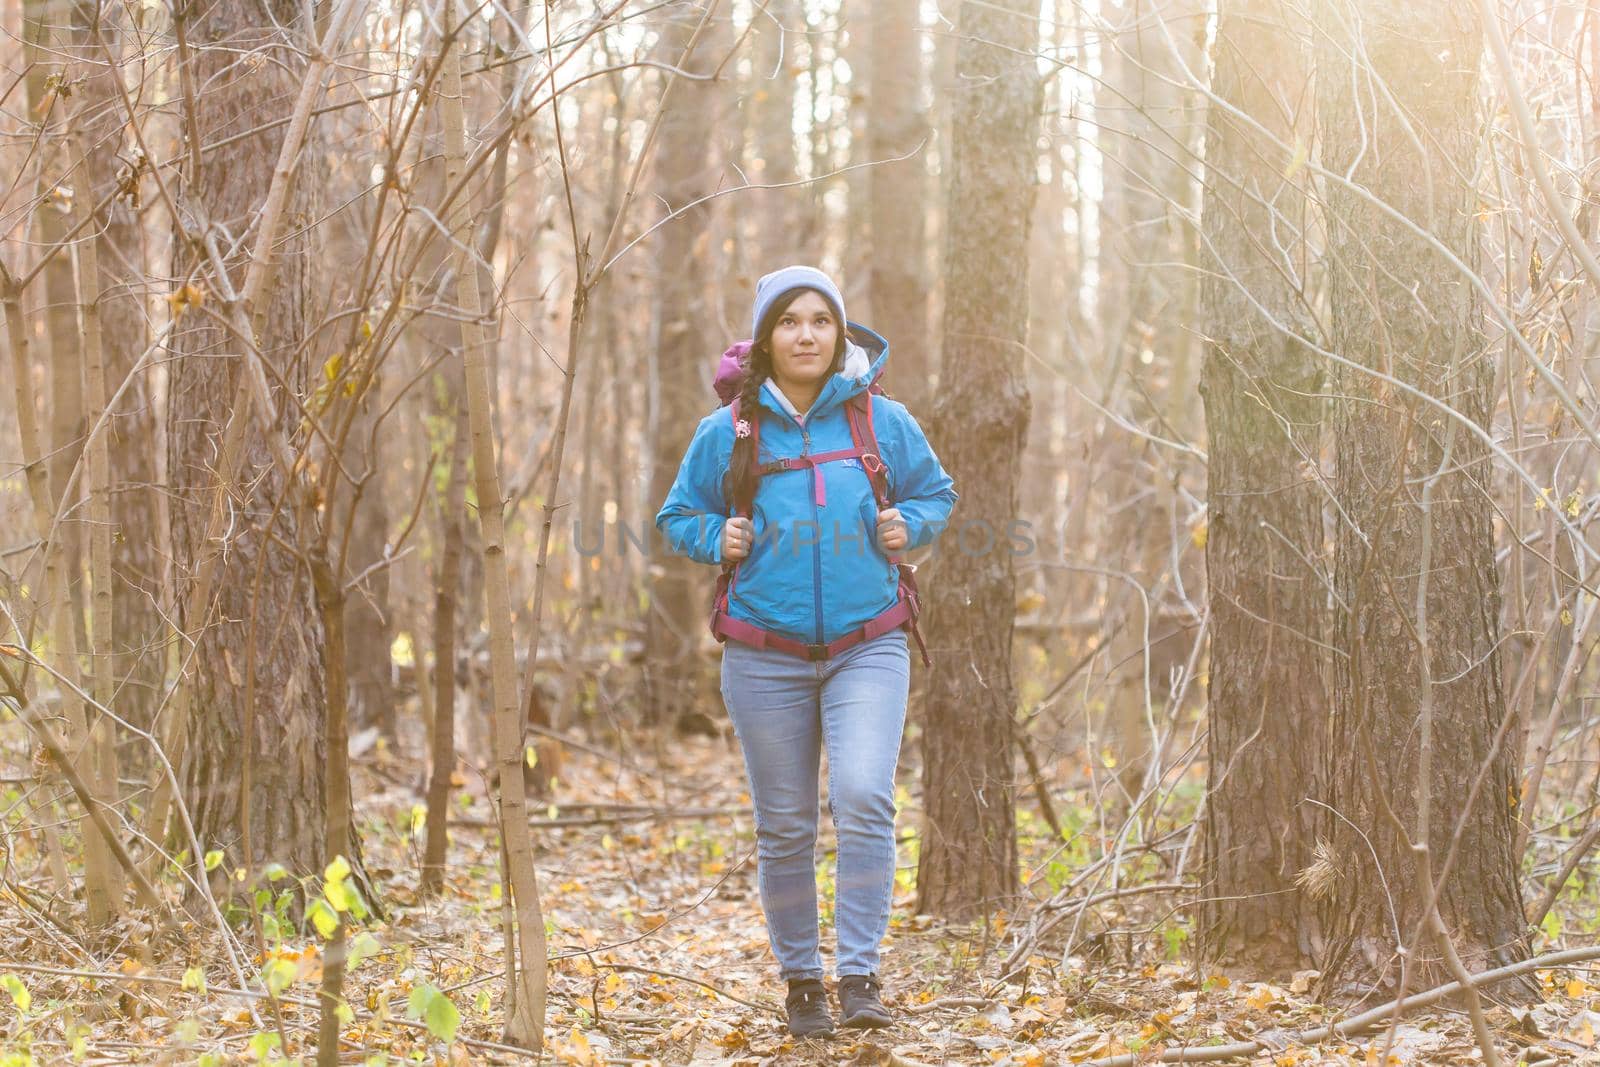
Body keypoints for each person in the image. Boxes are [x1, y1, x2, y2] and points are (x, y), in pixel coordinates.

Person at [655, 265, 957, 1037]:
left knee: (863, 795)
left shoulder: (879, 420)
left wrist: (909, 526)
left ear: (840, 332)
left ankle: (859, 974)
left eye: (821, 319)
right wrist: (710, 534)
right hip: (763, 653)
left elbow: (936, 493)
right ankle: (801, 982)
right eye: (789, 320)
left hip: (869, 643)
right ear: (765, 336)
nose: (807, 334)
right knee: (785, 824)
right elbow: (677, 512)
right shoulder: (726, 430)